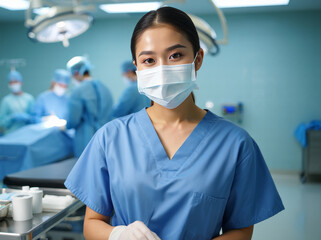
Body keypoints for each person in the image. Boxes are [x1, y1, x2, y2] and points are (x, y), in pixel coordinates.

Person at [65, 7, 284, 240]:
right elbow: (92, 224)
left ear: (197, 59)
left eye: (175, 55)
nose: (162, 69)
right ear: (137, 69)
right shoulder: (110, 137)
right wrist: (118, 235)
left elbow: (241, 231)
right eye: (149, 60)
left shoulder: (235, 144)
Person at [66, 56, 113, 157]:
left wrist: (65, 126)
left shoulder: (78, 91)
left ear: (76, 74)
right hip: (107, 137)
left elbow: (72, 121)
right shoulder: (104, 88)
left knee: (87, 168)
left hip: (86, 138)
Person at [0, 70, 35, 134]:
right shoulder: (6, 100)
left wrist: (28, 118)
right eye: (11, 82)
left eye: (15, 82)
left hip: (27, 134)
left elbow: (35, 118)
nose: (13, 84)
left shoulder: (29, 98)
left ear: (21, 82)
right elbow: (1, 122)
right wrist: (11, 118)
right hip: (11, 135)